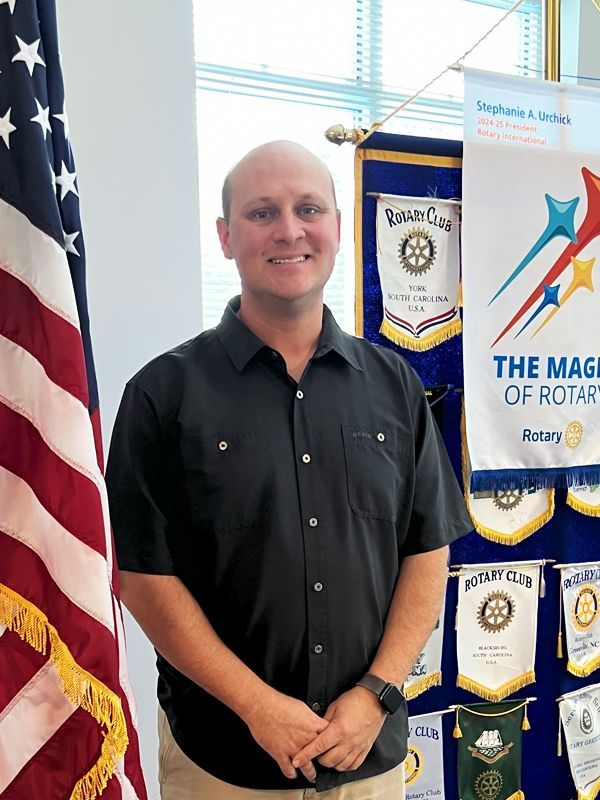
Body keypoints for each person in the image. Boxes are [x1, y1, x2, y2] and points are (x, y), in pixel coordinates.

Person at [106, 141, 473, 799]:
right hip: (223, 760)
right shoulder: (163, 396)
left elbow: (426, 552)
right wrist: (256, 705)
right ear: (225, 237)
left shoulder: (395, 387)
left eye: (308, 209)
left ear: (336, 227)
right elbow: (142, 576)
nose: (289, 230)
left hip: (370, 752)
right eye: (261, 213)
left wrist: (376, 693)